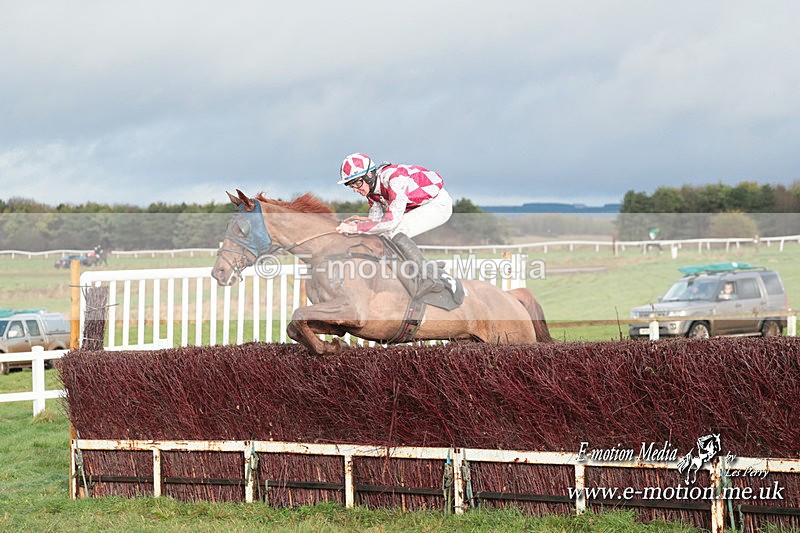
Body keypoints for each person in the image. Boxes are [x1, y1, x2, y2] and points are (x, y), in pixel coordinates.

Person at [335, 152, 454, 296]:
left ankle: (429, 276)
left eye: (358, 183)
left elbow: (391, 222)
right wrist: (357, 226)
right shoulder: (372, 194)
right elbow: (376, 225)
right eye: (351, 185)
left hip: (438, 204)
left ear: (369, 175)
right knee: (383, 236)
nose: (355, 189)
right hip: (420, 206)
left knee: (394, 231)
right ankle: (413, 271)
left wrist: (356, 228)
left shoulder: (394, 178)